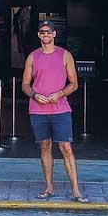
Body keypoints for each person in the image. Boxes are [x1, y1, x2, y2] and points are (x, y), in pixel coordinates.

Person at [21, 20, 88, 201]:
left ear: (54, 34)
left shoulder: (65, 55)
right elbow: (25, 85)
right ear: (38, 35)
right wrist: (34, 95)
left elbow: (74, 83)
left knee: (66, 147)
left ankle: (76, 190)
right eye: (42, 32)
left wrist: (60, 93)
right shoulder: (33, 57)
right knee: (45, 146)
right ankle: (49, 187)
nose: (45, 35)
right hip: (38, 109)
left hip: (60, 109)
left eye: (48, 32)